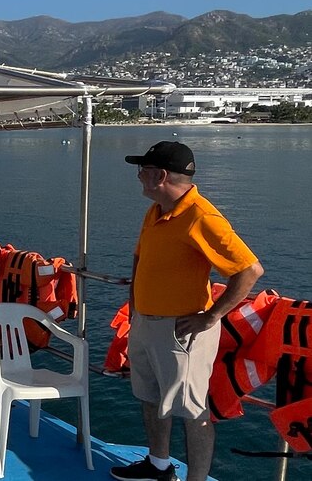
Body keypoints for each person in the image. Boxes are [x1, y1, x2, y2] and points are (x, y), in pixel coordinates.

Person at [112, 142, 263, 481]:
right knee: (150, 398)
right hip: (146, 324)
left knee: (193, 411)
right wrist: (135, 308)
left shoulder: (201, 216)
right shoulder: (156, 211)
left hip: (181, 332)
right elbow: (140, 258)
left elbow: (249, 270)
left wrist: (211, 316)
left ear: (160, 175)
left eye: (143, 171)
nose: (139, 177)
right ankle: (158, 465)